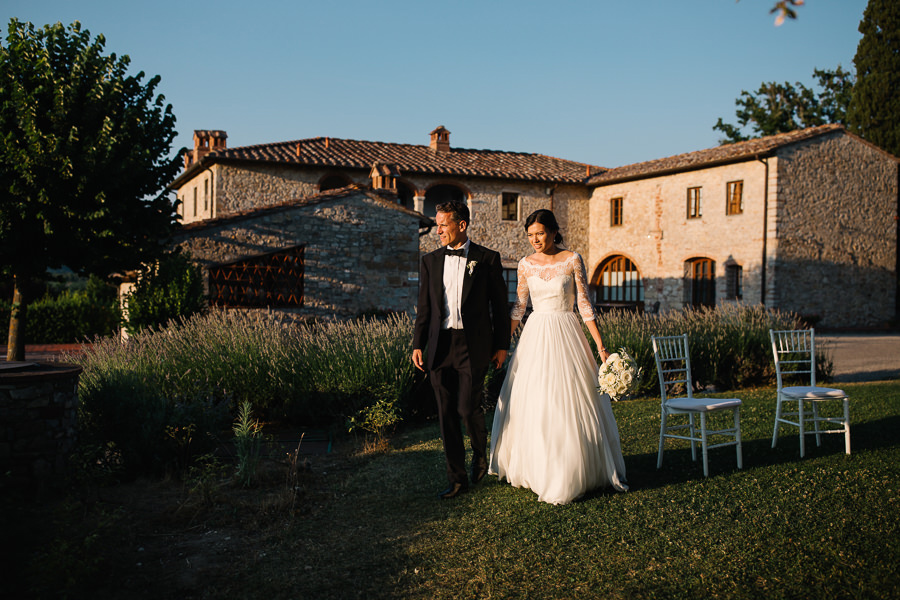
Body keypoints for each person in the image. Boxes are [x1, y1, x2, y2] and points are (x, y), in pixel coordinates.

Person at [489, 209, 628, 505]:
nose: (535, 240)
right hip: (535, 335)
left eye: (540, 233)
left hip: (567, 332)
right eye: (530, 235)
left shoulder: (572, 259)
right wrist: (503, 342)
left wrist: (601, 347)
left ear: (554, 231)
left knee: (569, 399)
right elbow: (519, 307)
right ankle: (537, 467)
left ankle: (570, 468)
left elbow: (584, 305)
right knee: (536, 399)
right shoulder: (525, 264)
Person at [413, 200, 510, 499]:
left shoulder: (488, 259)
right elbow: (425, 308)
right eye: (437, 224)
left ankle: (480, 455)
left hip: (474, 345)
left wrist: (502, 346)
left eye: (443, 224)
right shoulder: (429, 261)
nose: (438, 230)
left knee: (468, 409)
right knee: (446, 415)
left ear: (462, 225)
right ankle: (456, 479)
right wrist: (418, 344)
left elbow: (500, 307)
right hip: (440, 347)